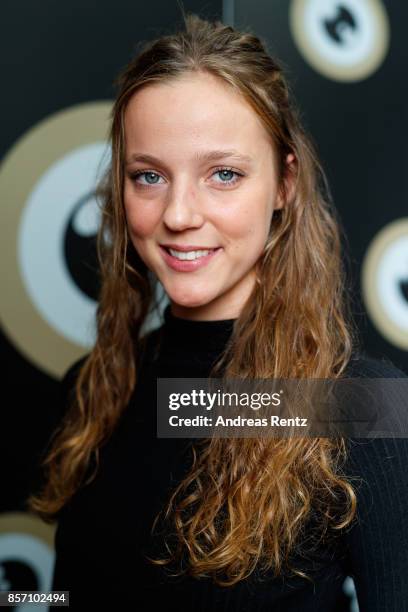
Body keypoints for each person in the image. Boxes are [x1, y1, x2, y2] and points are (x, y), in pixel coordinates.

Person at [27, 11, 408, 612]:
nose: (178, 213)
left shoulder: (362, 410)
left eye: (223, 175)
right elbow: (66, 597)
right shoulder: (98, 391)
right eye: (148, 175)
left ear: (284, 185)